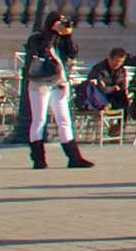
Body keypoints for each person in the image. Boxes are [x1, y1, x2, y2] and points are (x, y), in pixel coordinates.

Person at [21, 13, 90, 169]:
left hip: (59, 83)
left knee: (64, 120)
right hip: (40, 83)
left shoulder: (61, 40)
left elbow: (73, 52)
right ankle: (39, 160)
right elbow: (42, 53)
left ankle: (74, 157)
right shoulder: (36, 38)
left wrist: (68, 36)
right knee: (39, 120)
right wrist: (52, 33)